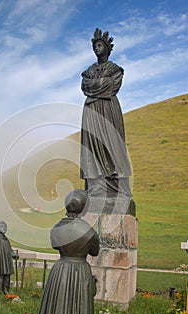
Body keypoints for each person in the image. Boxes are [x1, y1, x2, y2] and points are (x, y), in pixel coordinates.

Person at [35, 189, 100, 314]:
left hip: (61, 270)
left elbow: (54, 244)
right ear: (83, 208)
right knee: (80, 307)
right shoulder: (89, 232)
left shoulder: (56, 228)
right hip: (81, 270)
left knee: (56, 305)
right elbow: (95, 252)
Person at [80, 28, 132, 199]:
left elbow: (112, 86)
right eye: (95, 46)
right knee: (93, 145)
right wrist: (101, 84)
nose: (97, 48)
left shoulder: (115, 69)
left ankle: (116, 186)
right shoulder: (89, 70)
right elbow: (85, 87)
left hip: (108, 110)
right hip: (91, 111)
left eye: (100, 45)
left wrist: (96, 87)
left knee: (112, 144)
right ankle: (96, 187)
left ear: (107, 49)